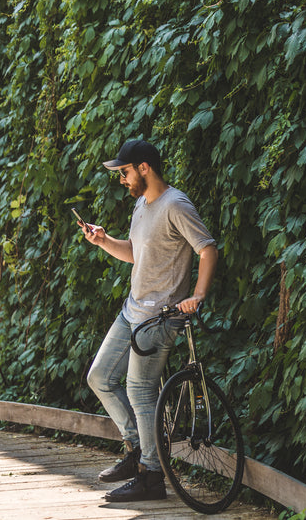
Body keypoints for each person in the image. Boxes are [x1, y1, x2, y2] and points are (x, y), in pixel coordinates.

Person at [80, 139, 218, 502]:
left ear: (144, 167)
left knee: (140, 391)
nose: (122, 179)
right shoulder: (142, 204)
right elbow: (135, 253)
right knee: (100, 378)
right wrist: (104, 240)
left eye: (124, 172)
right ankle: (138, 450)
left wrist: (198, 296)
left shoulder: (176, 205)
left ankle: (151, 476)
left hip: (161, 318)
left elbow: (207, 248)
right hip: (132, 312)